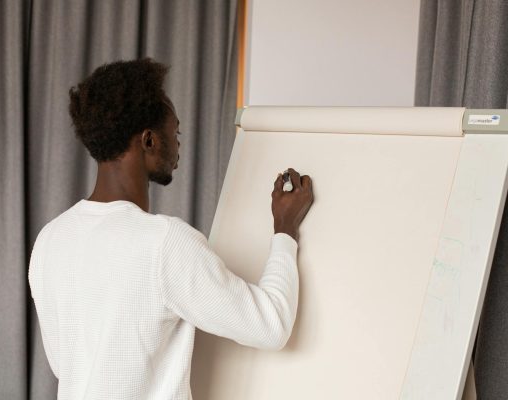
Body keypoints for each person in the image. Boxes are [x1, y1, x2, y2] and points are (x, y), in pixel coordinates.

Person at [28, 58, 314, 400]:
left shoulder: (50, 239)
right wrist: (285, 230)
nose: (178, 145)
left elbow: (67, 365)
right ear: (149, 141)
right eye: (174, 132)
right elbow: (271, 327)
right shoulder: (165, 243)